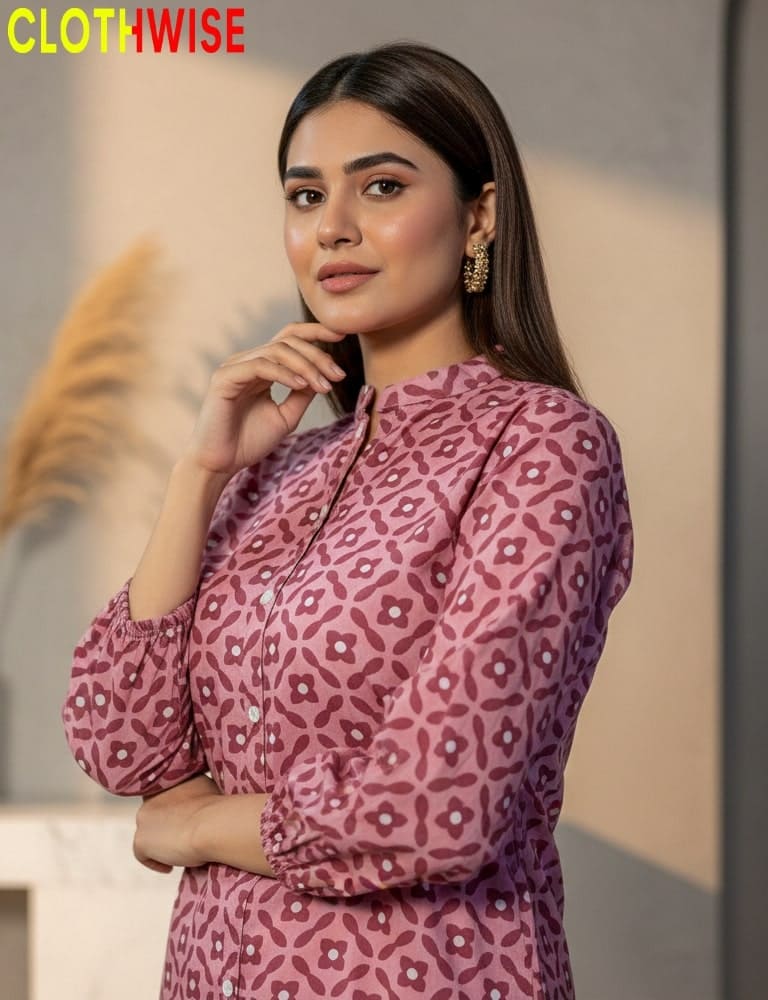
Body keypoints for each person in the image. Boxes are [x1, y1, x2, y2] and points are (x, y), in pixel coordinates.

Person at [62, 39, 634, 1000]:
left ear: (479, 214)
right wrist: (200, 476)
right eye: (304, 196)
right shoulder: (278, 465)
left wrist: (195, 827)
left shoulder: (542, 446)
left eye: (380, 188)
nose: (332, 229)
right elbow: (121, 738)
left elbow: (433, 807)